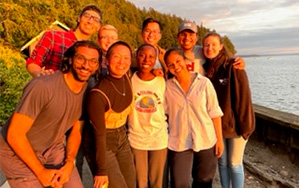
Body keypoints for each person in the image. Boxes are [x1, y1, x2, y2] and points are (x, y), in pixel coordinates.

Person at [0, 40, 101, 188]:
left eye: (93, 61)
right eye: (81, 58)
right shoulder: (43, 87)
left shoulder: (86, 92)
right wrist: (40, 172)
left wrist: (69, 163)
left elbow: (76, 131)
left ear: (97, 65)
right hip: (16, 151)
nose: (86, 65)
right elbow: (14, 134)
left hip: (52, 147)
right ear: (71, 59)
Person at [164, 48, 224, 188]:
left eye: (178, 61)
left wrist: (219, 140)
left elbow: (214, 112)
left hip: (205, 139)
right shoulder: (167, 87)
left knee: (203, 181)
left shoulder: (204, 83)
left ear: (185, 61)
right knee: (179, 183)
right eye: (170, 64)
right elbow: (162, 112)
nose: (176, 66)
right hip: (179, 141)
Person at [202, 32, 255, 188]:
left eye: (213, 44)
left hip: (236, 125)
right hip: (217, 125)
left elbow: (244, 98)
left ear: (221, 46)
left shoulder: (233, 66)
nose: (209, 48)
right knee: (222, 161)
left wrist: (246, 128)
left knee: (234, 162)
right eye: (206, 45)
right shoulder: (207, 69)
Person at [87, 41, 136, 188]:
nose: (122, 62)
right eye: (117, 57)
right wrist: (101, 170)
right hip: (102, 143)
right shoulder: (98, 94)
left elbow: (147, 61)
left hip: (122, 138)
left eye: (126, 58)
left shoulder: (127, 76)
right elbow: (99, 135)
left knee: (131, 184)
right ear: (107, 60)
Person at [128, 44, 168, 188]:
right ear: (136, 57)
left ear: (156, 59)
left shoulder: (162, 80)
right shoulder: (129, 79)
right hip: (136, 137)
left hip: (158, 137)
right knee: (140, 181)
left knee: (157, 182)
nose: (146, 60)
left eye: (151, 56)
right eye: (142, 55)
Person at [26, 4, 102, 77]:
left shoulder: (94, 52)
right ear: (79, 18)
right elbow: (33, 62)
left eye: (95, 20)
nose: (90, 21)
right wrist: (40, 76)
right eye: (87, 16)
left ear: (98, 27)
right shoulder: (53, 37)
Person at [177, 20, 245, 75]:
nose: (187, 38)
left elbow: (220, 58)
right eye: (183, 34)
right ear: (178, 37)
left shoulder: (202, 51)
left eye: (191, 34)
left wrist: (238, 62)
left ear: (197, 37)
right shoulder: (172, 54)